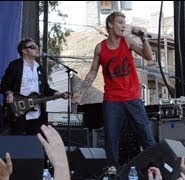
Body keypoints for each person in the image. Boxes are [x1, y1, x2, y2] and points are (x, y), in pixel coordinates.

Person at [72, 11, 156, 174]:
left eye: (124, 23)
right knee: (111, 137)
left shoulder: (128, 41)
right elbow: (92, 72)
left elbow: (148, 56)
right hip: (112, 99)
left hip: (132, 97)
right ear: (110, 24)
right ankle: (112, 169)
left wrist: (144, 38)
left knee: (145, 134)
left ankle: (156, 165)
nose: (123, 25)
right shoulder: (100, 48)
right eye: (120, 22)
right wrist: (81, 91)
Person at [0, 38, 69, 135]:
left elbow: (46, 89)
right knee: (18, 142)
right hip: (18, 111)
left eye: (37, 47)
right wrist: (9, 94)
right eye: (33, 47)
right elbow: (4, 85)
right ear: (24, 50)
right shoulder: (15, 65)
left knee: (35, 141)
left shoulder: (40, 68)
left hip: (36, 113)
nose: (37, 49)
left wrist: (59, 94)